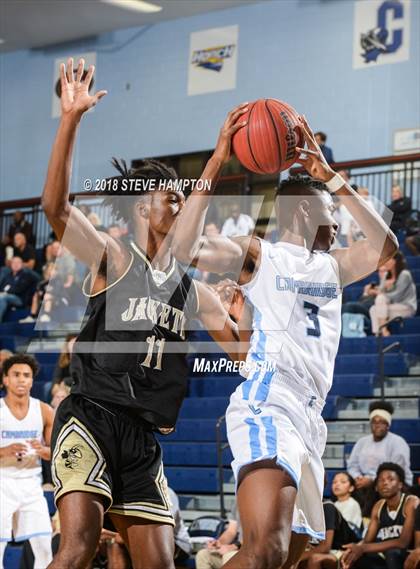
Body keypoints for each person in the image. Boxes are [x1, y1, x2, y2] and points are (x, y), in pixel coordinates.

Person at [42, 58, 246, 569]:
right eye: (168, 195)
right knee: (77, 550)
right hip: (90, 416)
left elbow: (242, 353)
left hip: (143, 437)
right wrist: (71, 120)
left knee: (161, 563)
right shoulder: (113, 256)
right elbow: (57, 210)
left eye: (182, 195)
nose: (178, 202)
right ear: (139, 206)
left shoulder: (195, 291)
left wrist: (246, 314)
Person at [171, 114, 398, 568]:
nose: (337, 222)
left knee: (282, 558)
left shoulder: (334, 267)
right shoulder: (260, 254)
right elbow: (183, 248)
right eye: (331, 212)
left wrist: (331, 179)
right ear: (304, 211)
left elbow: (386, 246)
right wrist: (216, 162)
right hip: (270, 400)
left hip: (310, 417)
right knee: (266, 549)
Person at [0, 354, 55, 568]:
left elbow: (56, 453)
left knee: (44, 548)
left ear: (32, 381)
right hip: (2, 483)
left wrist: (43, 450)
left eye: (26, 375)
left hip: (32, 485)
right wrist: (4, 450)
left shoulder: (44, 410)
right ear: (5, 379)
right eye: (16, 375)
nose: (21, 379)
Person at [341, 463, 419, 569]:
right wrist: (354, 549)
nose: (385, 483)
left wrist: (363, 548)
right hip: (385, 555)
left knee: (392, 553)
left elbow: (403, 542)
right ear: (376, 487)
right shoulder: (378, 506)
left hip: (405, 554)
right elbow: (367, 540)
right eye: (381, 480)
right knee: (355, 557)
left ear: (400, 484)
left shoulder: (410, 502)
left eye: (390, 479)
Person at [347, 401, 413, 516]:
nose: (377, 425)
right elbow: (352, 465)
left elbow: (396, 472)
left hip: (394, 484)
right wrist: (358, 478)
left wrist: (372, 480)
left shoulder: (398, 442)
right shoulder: (362, 442)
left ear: (388, 425)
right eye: (374, 422)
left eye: (382, 422)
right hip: (364, 483)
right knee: (345, 486)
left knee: (376, 490)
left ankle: (370, 522)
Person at [296, 500, 359, 568]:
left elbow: (325, 547)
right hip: (325, 549)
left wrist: (299, 557)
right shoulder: (301, 510)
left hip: (345, 550)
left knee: (314, 559)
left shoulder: (327, 507)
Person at [369, 251, 417, 336]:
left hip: (406, 307)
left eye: (388, 259)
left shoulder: (405, 275)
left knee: (380, 300)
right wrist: (382, 289)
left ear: (395, 261)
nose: (385, 262)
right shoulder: (386, 275)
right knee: (373, 309)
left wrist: (388, 289)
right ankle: (378, 334)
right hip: (390, 306)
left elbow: (398, 296)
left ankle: (383, 331)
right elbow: (381, 291)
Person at [195, 500, 241, 569]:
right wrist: (218, 543)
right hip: (237, 550)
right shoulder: (238, 501)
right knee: (203, 555)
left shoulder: (260, 501)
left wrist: (234, 546)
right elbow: (231, 531)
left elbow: (258, 537)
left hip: (252, 553)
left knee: (228, 556)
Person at [0, 257, 36, 322]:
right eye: (14, 262)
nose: (16, 264)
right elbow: (2, 287)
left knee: (2, 297)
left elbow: (19, 289)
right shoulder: (7, 276)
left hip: (20, 299)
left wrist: (6, 292)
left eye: (18, 262)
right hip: (7, 297)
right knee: (2, 297)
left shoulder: (26, 275)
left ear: (22, 264)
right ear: (11, 264)